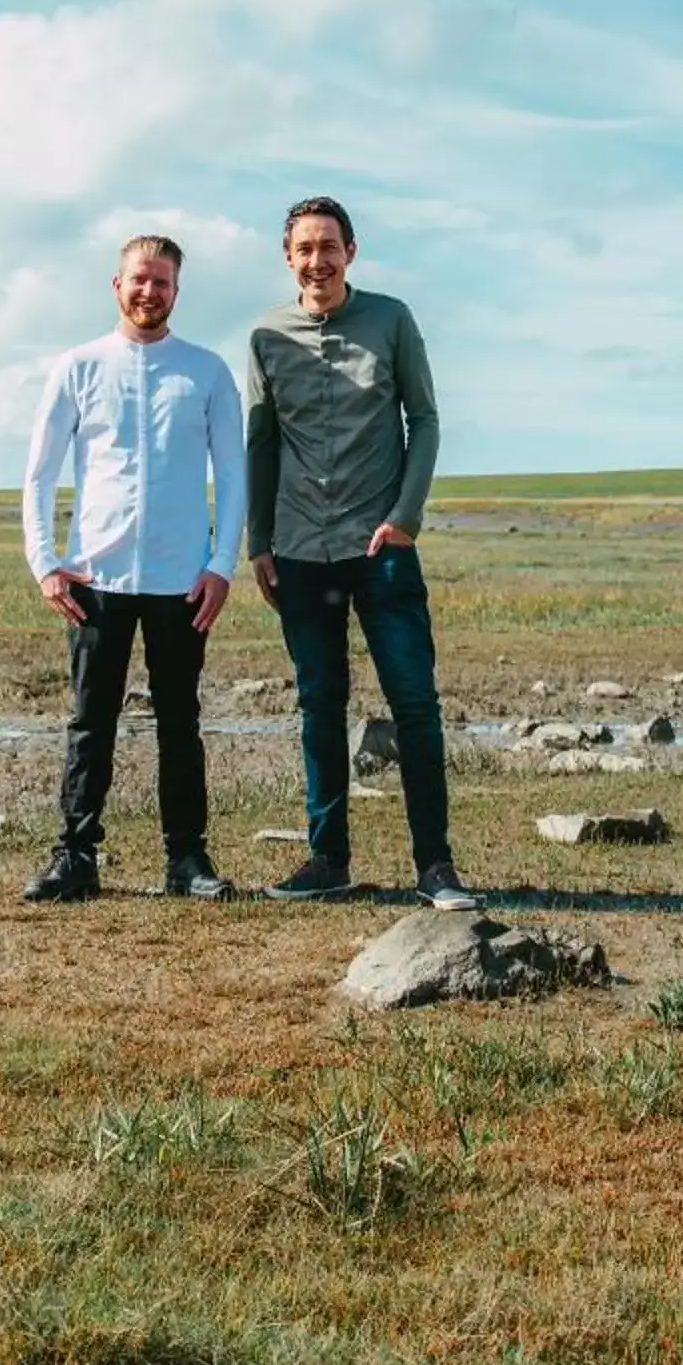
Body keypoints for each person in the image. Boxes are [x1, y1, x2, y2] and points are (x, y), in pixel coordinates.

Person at [244, 196, 480, 910]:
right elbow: (261, 441)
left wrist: (405, 517)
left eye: (329, 246)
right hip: (301, 550)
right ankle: (327, 859)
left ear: (351, 251)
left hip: (380, 545)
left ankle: (435, 866)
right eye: (305, 249)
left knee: (414, 703)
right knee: (320, 703)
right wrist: (260, 542)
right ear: (288, 258)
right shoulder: (264, 336)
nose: (317, 260)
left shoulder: (392, 320)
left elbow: (426, 419)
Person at [18, 233, 247, 902]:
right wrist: (46, 563)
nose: (150, 292)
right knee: (91, 721)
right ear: (117, 286)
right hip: (96, 578)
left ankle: (187, 860)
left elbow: (232, 475)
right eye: (140, 280)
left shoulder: (205, 372)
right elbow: (39, 472)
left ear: (178, 292)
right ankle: (76, 856)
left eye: (164, 283)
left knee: (181, 721)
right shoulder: (79, 366)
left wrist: (221, 564)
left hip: (182, 581)